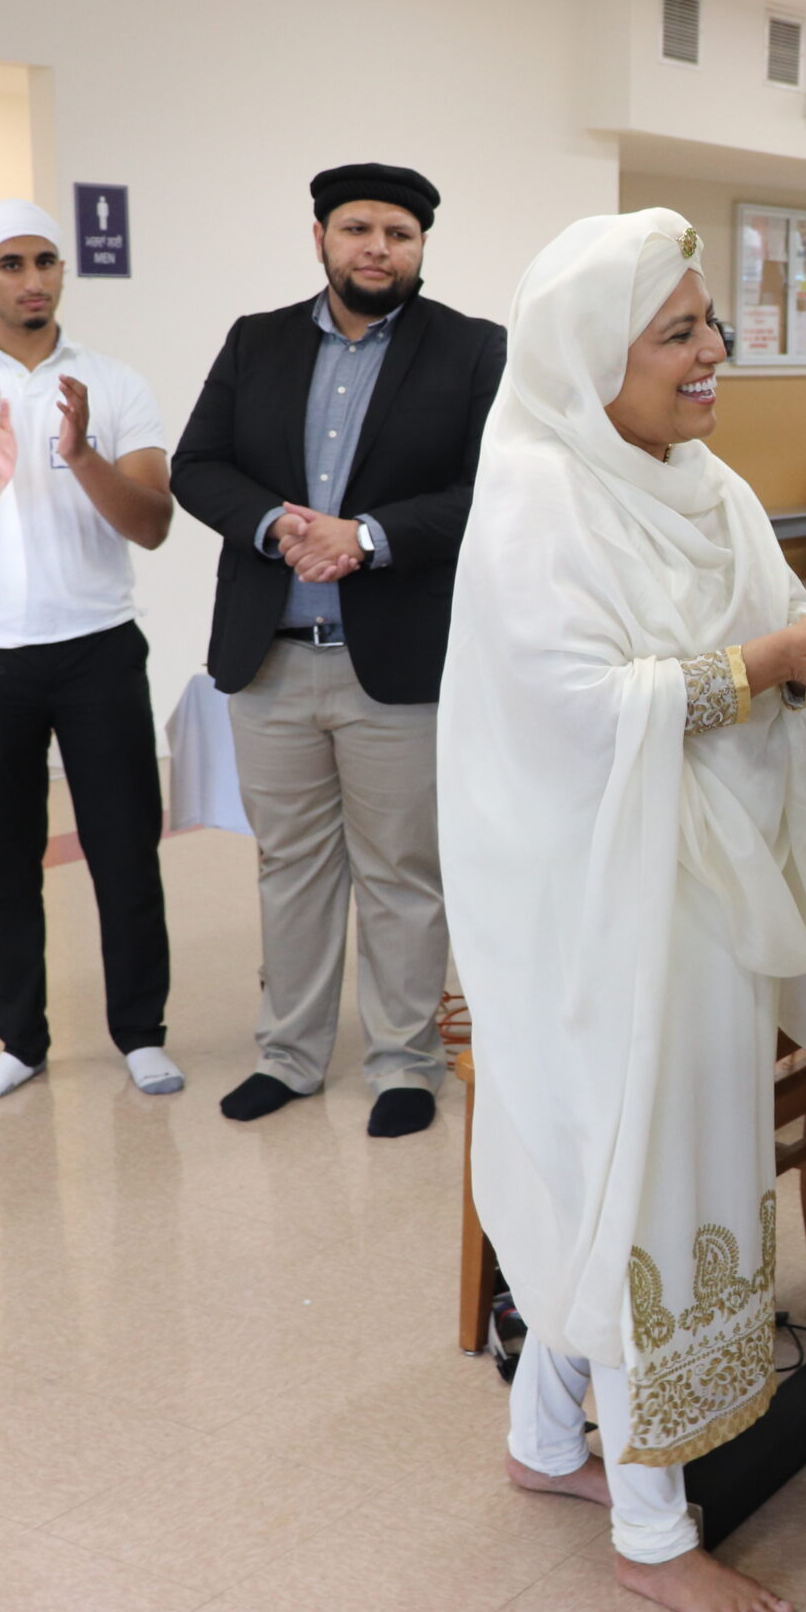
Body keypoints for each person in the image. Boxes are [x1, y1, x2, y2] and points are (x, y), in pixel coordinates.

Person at [440, 208, 806, 1612]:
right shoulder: (537, 490)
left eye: (710, 322)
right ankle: (654, 1537)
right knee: (637, 1174)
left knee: (647, 1166)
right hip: (598, 905)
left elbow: (758, 646)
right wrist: (773, 661)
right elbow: (575, 709)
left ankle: (547, 1440)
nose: (714, 351)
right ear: (595, 354)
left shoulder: (702, 483)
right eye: (678, 332)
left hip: (700, 890)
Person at [171, 163, 504, 1139]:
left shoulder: (473, 348)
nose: (377, 248)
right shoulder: (257, 340)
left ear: (421, 247)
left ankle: (404, 1062)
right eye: (357, 228)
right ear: (319, 237)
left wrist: (368, 535)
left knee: (402, 871)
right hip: (270, 658)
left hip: (397, 663)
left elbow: (493, 488)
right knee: (291, 866)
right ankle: (289, 1055)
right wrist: (276, 524)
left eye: (399, 233)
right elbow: (197, 465)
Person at [0, 199, 181, 1104]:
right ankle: (20, 1041)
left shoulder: (114, 382)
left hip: (99, 653)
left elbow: (153, 524)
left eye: (46, 261)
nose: (34, 280)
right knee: (5, 863)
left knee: (125, 853)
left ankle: (141, 1034)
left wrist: (81, 453)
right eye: (11, 264)